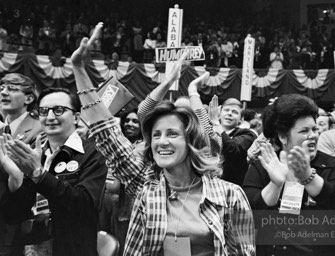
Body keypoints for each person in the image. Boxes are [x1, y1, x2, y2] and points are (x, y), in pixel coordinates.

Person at [72, 22, 255, 256]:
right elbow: (106, 130)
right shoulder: (146, 186)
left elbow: (244, 252)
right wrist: (78, 68)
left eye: (172, 134)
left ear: (191, 141)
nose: (161, 142)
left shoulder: (230, 195)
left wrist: (193, 95)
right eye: (156, 135)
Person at [0, 87, 108, 256]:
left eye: (59, 110)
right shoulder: (34, 154)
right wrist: (15, 178)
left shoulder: (93, 153)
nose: (50, 117)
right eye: (44, 111)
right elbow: (13, 216)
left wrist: (39, 174)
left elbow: (85, 207)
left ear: (76, 117)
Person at [243, 94, 335, 255]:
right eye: (304, 131)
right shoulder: (264, 166)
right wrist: (275, 185)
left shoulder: (332, 165)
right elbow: (247, 216)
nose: (313, 135)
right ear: (283, 136)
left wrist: (308, 177)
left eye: (315, 129)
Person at [0, 73, 42, 256]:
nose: (3, 92)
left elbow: (33, 174)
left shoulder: (39, 128)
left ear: (29, 98)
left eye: (12, 88)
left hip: (16, 218)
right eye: (2, 87)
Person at [99, 108, 143, 256]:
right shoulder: (110, 147)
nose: (130, 124)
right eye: (127, 120)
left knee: (122, 245)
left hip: (126, 204)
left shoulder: (144, 147)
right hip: (104, 199)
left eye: (136, 121)